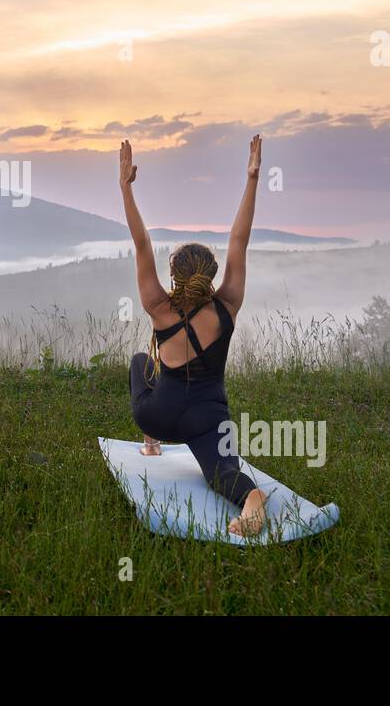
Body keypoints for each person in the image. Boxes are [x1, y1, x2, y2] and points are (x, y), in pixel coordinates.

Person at [118, 134, 269, 536]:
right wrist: (252, 178)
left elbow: (141, 242)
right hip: (208, 418)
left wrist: (126, 188)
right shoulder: (227, 306)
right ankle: (253, 501)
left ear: (174, 275)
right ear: (212, 275)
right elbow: (240, 239)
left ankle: (150, 443)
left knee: (139, 362)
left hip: (160, 415)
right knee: (224, 475)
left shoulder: (159, 307)